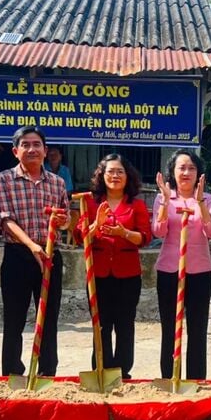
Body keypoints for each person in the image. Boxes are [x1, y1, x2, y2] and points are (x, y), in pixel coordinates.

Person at [0, 126, 70, 377]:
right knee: (14, 319)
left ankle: (47, 373)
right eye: (25, 145)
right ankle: (12, 373)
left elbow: (66, 218)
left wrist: (63, 221)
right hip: (18, 255)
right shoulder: (4, 179)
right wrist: (32, 245)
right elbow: (6, 220)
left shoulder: (57, 183)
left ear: (45, 151)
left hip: (50, 256)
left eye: (37, 144)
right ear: (16, 151)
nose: (32, 149)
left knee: (48, 319)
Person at [75, 153, 151, 379]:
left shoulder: (136, 205)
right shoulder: (89, 202)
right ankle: (101, 367)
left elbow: (145, 238)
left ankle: (122, 371)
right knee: (101, 324)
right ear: (102, 175)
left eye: (120, 172)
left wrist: (124, 233)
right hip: (98, 273)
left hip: (127, 274)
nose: (115, 176)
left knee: (125, 324)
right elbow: (81, 237)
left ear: (128, 177)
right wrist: (97, 224)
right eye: (110, 172)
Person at [152, 150, 211, 380]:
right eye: (181, 168)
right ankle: (169, 378)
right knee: (169, 329)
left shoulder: (208, 199)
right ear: (173, 171)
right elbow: (158, 231)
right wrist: (163, 200)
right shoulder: (164, 197)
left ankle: (196, 379)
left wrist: (200, 202)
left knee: (197, 330)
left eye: (191, 168)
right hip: (169, 271)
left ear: (198, 172)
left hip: (199, 272)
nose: (186, 173)